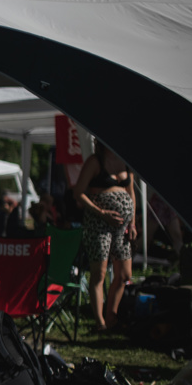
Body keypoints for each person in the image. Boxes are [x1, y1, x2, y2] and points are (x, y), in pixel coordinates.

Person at [72, 140, 136, 332]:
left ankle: (111, 316)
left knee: (124, 274)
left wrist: (132, 222)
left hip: (122, 226)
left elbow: (130, 192)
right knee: (99, 273)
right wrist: (101, 212)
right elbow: (78, 192)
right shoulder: (95, 161)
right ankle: (99, 322)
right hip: (99, 223)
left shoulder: (126, 162)